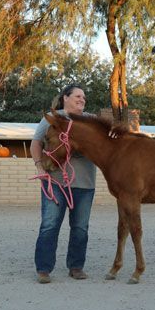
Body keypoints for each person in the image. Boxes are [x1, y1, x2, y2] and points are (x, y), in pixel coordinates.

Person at [30, 85, 98, 283]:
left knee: (81, 227)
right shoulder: (53, 118)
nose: (82, 99)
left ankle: (76, 267)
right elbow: (36, 143)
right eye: (77, 96)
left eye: (84, 97)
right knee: (50, 225)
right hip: (55, 181)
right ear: (65, 98)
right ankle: (43, 269)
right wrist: (39, 167)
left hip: (85, 183)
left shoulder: (90, 120)